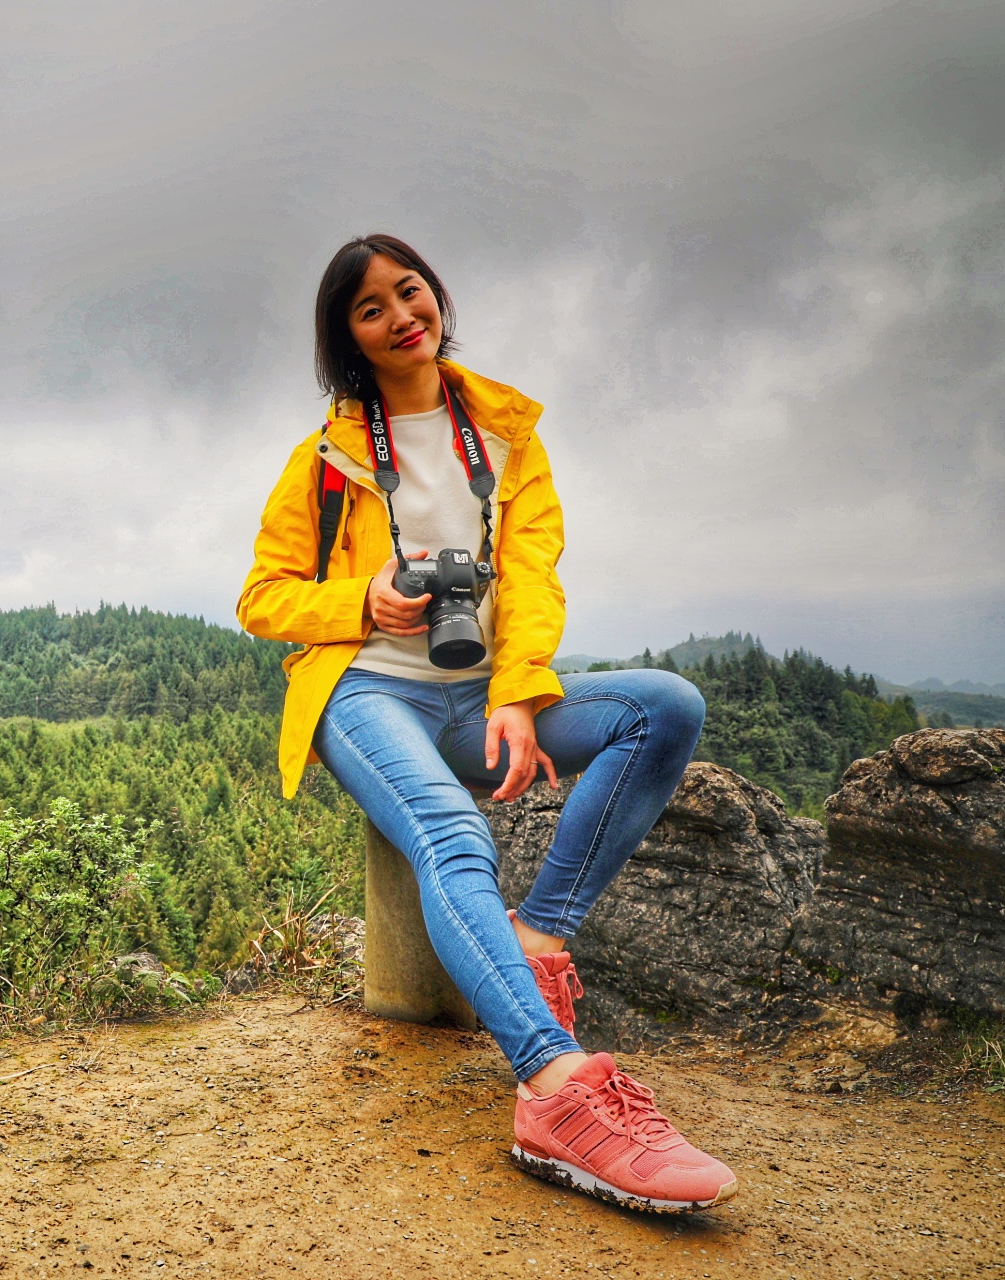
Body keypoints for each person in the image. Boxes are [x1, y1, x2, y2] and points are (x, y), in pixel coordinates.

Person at [236, 233, 737, 1213]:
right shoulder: (325, 457)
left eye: (408, 290)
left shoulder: (507, 436)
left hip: (481, 695)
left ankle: (538, 937)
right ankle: (555, 1088)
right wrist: (362, 599)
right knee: (453, 831)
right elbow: (262, 597)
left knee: (664, 707)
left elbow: (534, 577)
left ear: (436, 293)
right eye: (370, 308)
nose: (399, 316)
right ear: (348, 338)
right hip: (365, 691)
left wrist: (518, 690)